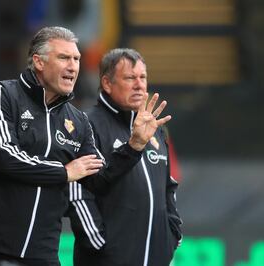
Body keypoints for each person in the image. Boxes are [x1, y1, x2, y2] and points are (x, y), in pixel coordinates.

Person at [0, 27, 163, 266]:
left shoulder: (78, 120)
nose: (73, 66)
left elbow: (99, 178)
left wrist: (134, 146)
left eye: (76, 59)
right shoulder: (1, 95)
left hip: (42, 251)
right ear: (39, 62)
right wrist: (64, 172)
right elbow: (5, 157)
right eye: (64, 57)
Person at [67, 48, 182, 266]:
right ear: (107, 84)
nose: (139, 84)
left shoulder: (155, 128)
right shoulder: (87, 124)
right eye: (130, 78)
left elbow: (169, 185)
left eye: (143, 77)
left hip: (156, 256)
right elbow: (76, 190)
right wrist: (99, 243)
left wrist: (171, 235)